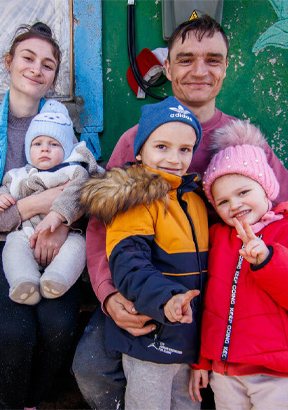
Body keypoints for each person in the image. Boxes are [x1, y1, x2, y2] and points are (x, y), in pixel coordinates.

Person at [72, 14, 288, 409]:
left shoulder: (241, 142)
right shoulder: (139, 138)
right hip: (144, 277)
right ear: (169, 67)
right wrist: (108, 294)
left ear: (227, 67)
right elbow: (100, 222)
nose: (199, 70)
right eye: (186, 58)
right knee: (92, 367)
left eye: (213, 59)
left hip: (226, 286)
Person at [188, 119, 288, 409]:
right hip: (227, 372)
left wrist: (270, 261)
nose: (234, 205)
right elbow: (212, 307)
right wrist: (203, 360)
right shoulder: (219, 239)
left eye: (243, 192)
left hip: (284, 372)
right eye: (222, 201)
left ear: (266, 188)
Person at [0, 22, 83, 409]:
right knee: (16, 331)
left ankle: (31, 401)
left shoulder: (69, 131)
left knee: (60, 326)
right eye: (28, 58)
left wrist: (61, 222)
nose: (37, 69)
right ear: (9, 63)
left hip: (57, 240)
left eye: (48, 65)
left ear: (53, 79)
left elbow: (88, 189)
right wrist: (34, 205)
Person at [80, 96, 207, 409]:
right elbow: (128, 265)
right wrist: (167, 299)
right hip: (150, 339)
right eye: (161, 147)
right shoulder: (136, 201)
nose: (174, 159)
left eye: (185, 149)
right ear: (139, 152)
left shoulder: (195, 201)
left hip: (187, 339)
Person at [0, 100, 102, 305]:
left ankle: (57, 279)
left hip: (66, 233)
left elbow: (79, 193)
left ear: (67, 149)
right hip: (28, 233)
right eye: (37, 144)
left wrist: (57, 215)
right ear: (28, 148)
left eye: (53, 144)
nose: (44, 149)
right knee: (13, 244)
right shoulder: (20, 174)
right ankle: (24, 281)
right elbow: (6, 188)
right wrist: (0, 198)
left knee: (77, 247)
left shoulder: (73, 170)